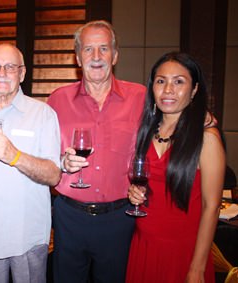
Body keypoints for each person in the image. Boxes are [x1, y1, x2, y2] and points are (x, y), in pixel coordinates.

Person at [47, 20, 146, 283]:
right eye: (88, 50)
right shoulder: (56, 100)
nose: (96, 57)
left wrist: (200, 116)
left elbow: (171, 126)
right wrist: (60, 161)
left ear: (115, 55)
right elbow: (43, 156)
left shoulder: (141, 98)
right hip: (69, 217)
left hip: (120, 218)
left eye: (104, 48)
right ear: (78, 57)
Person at [0, 43, 61, 283]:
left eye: (10, 67)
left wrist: (14, 155)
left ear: (22, 73)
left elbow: (54, 175)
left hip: (27, 235)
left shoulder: (43, 114)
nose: (2, 72)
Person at [125, 52, 225, 283]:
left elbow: (213, 206)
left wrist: (198, 267)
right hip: (143, 246)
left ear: (194, 90)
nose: (168, 89)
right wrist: (134, 193)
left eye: (178, 81)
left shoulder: (206, 138)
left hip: (184, 253)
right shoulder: (146, 131)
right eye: (161, 81)